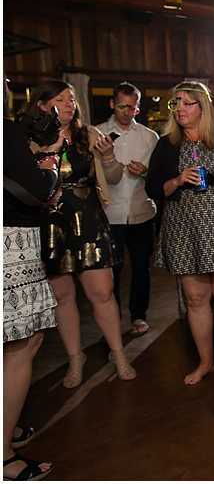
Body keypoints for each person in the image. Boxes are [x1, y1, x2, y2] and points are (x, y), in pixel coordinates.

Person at [24, 80, 136, 388]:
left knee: (102, 292)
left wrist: (110, 156)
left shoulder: (90, 135)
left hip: (88, 219)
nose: (70, 104)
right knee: (62, 296)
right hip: (50, 223)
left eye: (71, 99)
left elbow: (112, 178)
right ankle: (76, 358)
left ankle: (118, 354)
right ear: (42, 106)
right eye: (60, 99)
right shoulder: (29, 140)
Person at [146, 81, 214, 385]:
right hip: (185, 226)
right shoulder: (166, 143)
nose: (179, 109)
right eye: (176, 103)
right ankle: (206, 362)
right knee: (196, 299)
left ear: (203, 107)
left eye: (187, 103)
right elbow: (153, 188)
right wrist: (177, 179)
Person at [3, 79, 62, 481]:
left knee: (25, 339)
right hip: (10, 244)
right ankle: (4, 455)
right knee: (19, 344)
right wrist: (51, 164)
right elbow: (35, 191)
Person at [96, 82, 158, 338]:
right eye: (122, 106)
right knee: (111, 272)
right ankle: (111, 321)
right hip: (109, 214)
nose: (126, 111)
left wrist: (144, 172)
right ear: (112, 104)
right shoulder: (96, 133)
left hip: (141, 210)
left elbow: (159, 175)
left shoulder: (149, 136)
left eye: (132, 107)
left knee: (142, 267)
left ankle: (138, 315)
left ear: (138, 107)